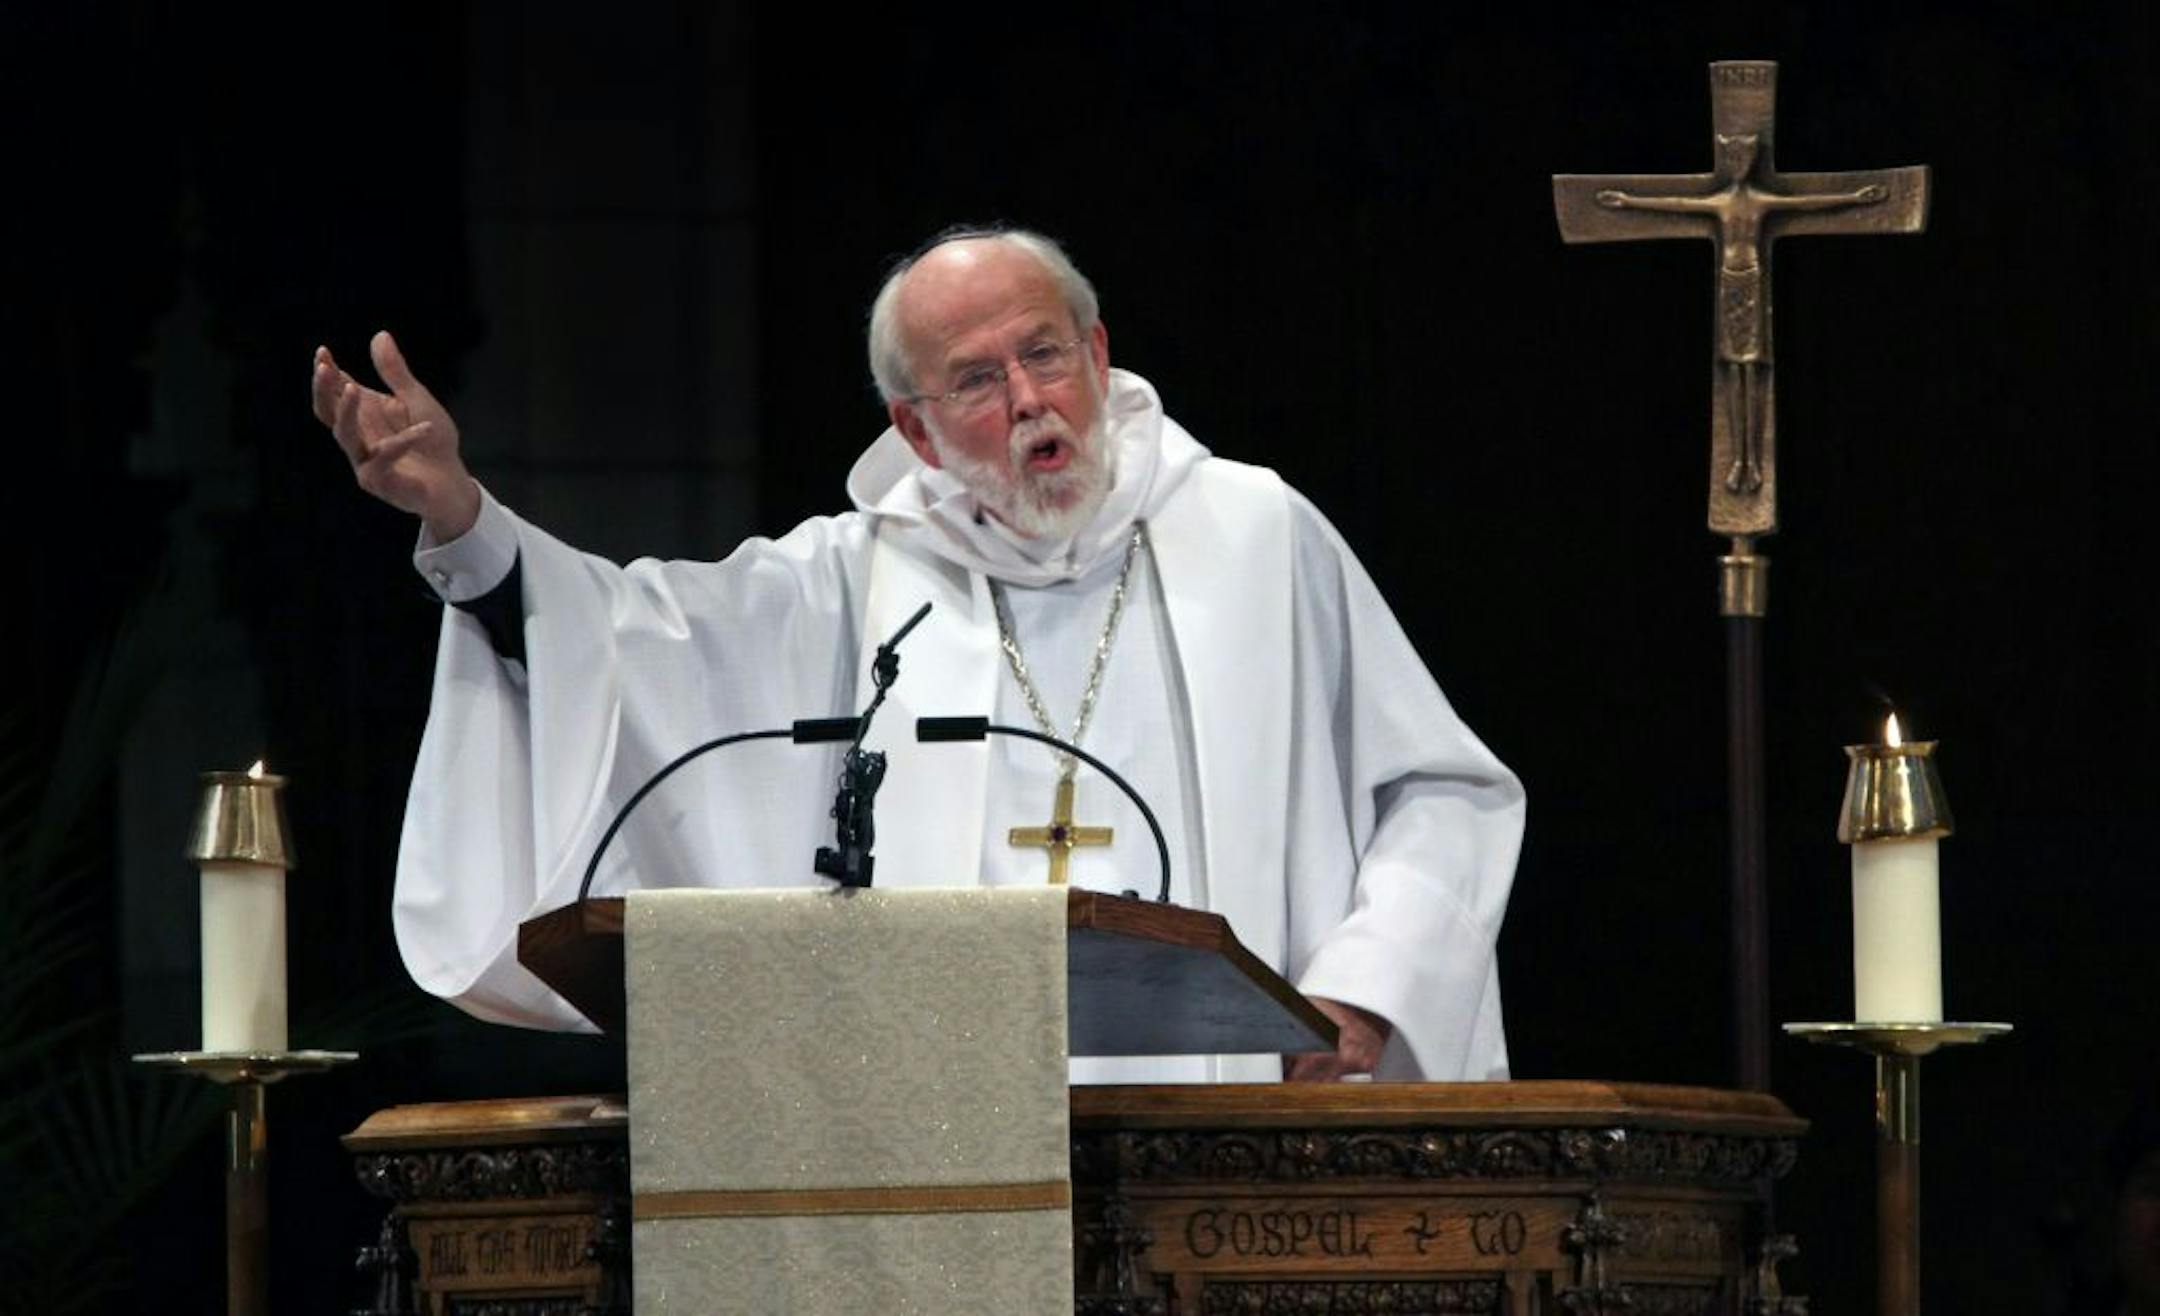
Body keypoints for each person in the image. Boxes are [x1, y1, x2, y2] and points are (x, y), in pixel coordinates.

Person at [311, 226, 1524, 1083]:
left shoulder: (1256, 532)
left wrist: (1366, 994)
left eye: (1048, 354)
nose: (1031, 398)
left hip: (1247, 1115)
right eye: (977, 380)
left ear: (1100, 356)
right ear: (916, 427)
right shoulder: (859, 580)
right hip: (960, 1125)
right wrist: (463, 519)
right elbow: (625, 645)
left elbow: (1442, 791)